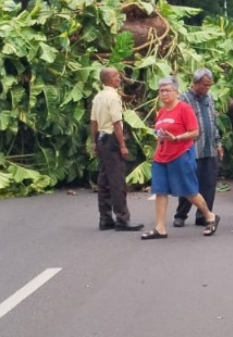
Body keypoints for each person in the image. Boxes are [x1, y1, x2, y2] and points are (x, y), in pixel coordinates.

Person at [142, 76, 219, 239]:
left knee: (189, 191)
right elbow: (159, 132)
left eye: (167, 90)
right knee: (160, 191)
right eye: (161, 91)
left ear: (176, 91)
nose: (164, 94)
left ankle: (209, 216)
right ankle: (160, 228)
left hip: (181, 154)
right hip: (161, 156)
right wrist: (160, 141)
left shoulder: (184, 109)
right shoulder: (161, 111)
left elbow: (195, 132)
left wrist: (176, 138)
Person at [90, 68, 142, 232]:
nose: (119, 78)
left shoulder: (98, 96)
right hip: (112, 139)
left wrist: (94, 142)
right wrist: (122, 145)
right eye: (116, 76)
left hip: (101, 138)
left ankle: (105, 218)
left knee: (104, 179)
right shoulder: (113, 97)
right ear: (110, 79)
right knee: (117, 180)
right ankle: (122, 219)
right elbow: (117, 123)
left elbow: (93, 122)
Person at [174, 68, 224, 228]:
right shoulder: (183, 100)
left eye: (209, 85)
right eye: (205, 85)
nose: (208, 88)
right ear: (196, 84)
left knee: (209, 184)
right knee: (189, 184)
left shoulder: (209, 98)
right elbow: (179, 125)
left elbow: (212, 122)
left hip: (209, 148)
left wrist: (218, 143)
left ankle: (204, 215)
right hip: (191, 149)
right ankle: (180, 215)